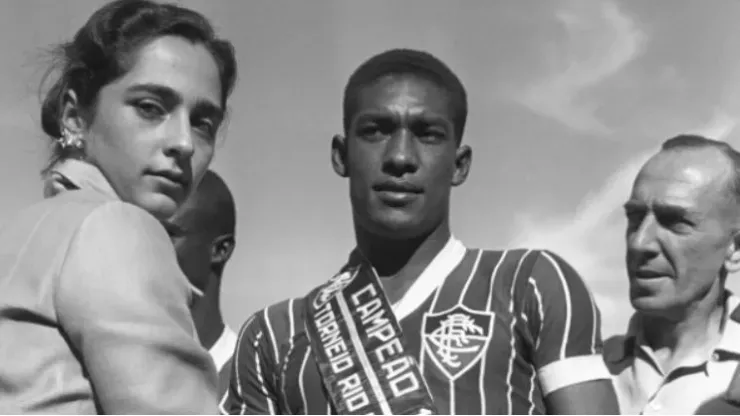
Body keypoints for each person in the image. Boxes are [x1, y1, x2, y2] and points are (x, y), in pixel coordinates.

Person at [221, 48, 618, 415]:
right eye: (376, 130)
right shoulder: (273, 337)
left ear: (460, 165)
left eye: (428, 134)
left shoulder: (530, 285)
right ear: (341, 156)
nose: (400, 157)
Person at [0, 0, 237, 413]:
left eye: (203, 123)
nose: (183, 143)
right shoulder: (115, 227)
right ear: (74, 116)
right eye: (150, 107)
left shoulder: (24, 235)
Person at [605, 134, 740, 414]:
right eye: (635, 217)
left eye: (675, 222)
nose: (639, 242)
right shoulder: (577, 372)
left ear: (735, 249)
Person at [166, 169, 238, 395]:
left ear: (220, 250)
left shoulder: (253, 383)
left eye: (166, 233)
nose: (145, 244)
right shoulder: (112, 379)